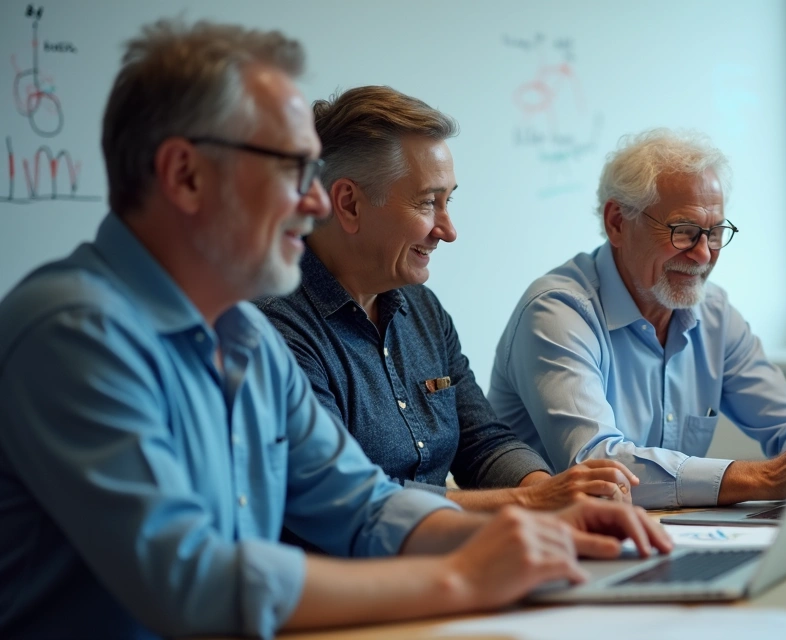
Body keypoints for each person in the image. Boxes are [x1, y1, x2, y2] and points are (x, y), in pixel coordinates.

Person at [0, 20, 669, 639]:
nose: (317, 200)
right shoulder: (75, 334)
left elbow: (365, 507)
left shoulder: (246, 341)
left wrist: (539, 532)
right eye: (294, 168)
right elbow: (191, 582)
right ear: (186, 175)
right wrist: (464, 573)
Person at [257, 85, 638, 511]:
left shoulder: (423, 309)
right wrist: (534, 499)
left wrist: (559, 495)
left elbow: (484, 442)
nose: (448, 229)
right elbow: (345, 494)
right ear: (349, 204)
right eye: (427, 203)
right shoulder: (274, 325)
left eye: (448, 201)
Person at [488, 128, 786, 510]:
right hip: (553, 544)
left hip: (668, 535)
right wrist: (762, 479)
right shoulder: (557, 312)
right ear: (617, 222)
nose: (703, 255)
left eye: (715, 234)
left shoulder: (713, 313)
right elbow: (599, 467)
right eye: (684, 232)